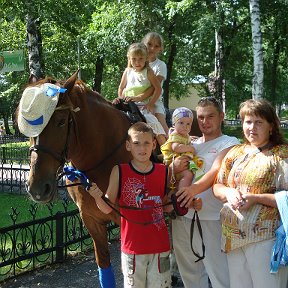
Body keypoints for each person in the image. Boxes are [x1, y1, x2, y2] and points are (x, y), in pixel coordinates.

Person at [213, 99, 288, 288]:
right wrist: (229, 192)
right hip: (232, 236)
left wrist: (256, 198)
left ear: (271, 126)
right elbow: (217, 186)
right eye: (248, 121)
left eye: (259, 122)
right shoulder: (235, 152)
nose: (252, 127)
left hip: (266, 239)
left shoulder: (281, 154)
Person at [87, 122, 172, 288]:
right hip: (132, 248)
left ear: (154, 145)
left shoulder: (164, 171)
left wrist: (181, 201)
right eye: (136, 143)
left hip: (160, 247)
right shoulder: (119, 171)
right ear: (128, 146)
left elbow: (167, 207)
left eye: (147, 143)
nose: (142, 148)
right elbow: (107, 207)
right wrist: (97, 197)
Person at [171, 96, 239, 288]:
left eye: (210, 116)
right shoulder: (190, 144)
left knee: (220, 274)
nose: (204, 122)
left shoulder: (229, 143)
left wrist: (192, 191)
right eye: (200, 117)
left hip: (211, 217)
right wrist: (173, 169)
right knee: (190, 275)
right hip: (183, 216)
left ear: (221, 117)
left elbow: (216, 171)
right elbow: (173, 175)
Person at [116, 42, 167, 146]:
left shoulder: (148, 72)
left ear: (146, 58)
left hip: (141, 105)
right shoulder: (127, 71)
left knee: (152, 122)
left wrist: (151, 103)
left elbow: (157, 88)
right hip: (127, 104)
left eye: (140, 59)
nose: (137, 62)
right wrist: (120, 98)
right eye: (134, 59)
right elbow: (121, 87)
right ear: (129, 58)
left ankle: (165, 148)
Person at [161, 107, 204, 190]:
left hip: (182, 161)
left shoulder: (184, 135)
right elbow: (176, 147)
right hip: (174, 162)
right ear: (174, 124)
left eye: (188, 124)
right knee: (188, 175)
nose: (185, 126)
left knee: (194, 170)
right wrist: (190, 148)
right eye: (181, 123)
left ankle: (199, 177)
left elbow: (183, 140)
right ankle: (182, 193)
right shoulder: (174, 135)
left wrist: (190, 138)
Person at [142, 32, 169, 135]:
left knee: (161, 124)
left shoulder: (160, 65)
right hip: (136, 100)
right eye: (149, 44)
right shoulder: (137, 62)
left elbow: (154, 88)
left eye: (156, 46)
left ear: (160, 49)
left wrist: (150, 103)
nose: (152, 48)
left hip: (154, 100)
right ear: (143, 43)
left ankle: (170, 144)